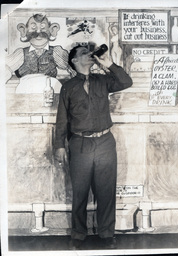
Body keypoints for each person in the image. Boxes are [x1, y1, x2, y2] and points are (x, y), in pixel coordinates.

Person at [54, 44, 133, 249]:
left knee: (106, 191)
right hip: (80, 144)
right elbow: (62, 119)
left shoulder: (103, 80)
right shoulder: (68, 87)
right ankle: (78, 235)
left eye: (90, 53)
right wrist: (59, 146)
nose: (89, 55)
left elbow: (126, 81)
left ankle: (107, 234)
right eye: (83, 53)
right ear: (74, 61)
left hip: (105, 142)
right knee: (80, 192)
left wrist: (110, 64)